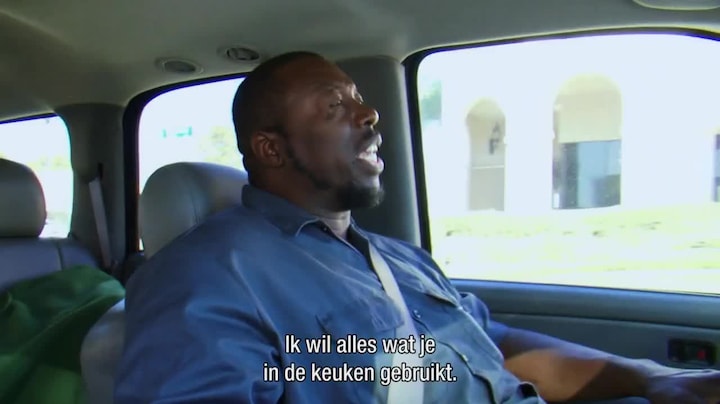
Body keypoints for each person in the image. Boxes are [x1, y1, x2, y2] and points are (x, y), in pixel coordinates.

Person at [114, 51, 720, 404]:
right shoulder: (205, 275)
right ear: (270, 149)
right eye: (335, 106)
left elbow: (496, 349)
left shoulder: (401, 260)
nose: (370, 115)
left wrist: (654, 378)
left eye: (360, 99)